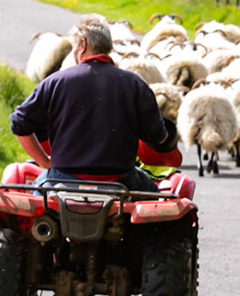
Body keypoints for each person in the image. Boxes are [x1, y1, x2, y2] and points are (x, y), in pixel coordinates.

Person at [11, 14, 179, 192]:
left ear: (82, 45)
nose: (74, 53)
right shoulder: (134, 84)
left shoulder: (56, 82)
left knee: (33, 203)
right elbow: (156, 136)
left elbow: (19, 123)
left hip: (63, 178)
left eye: (74, 48)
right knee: (156, 199)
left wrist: (45, 162)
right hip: (122, 180)